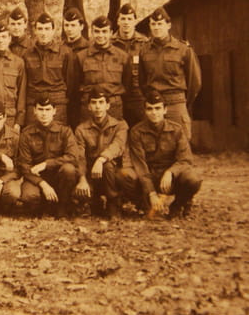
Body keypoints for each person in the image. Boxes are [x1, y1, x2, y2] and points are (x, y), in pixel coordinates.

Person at [118, 90, 202, 218]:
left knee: (193, 179)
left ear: (165, 110)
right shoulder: (136, 132)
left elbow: (185, 160)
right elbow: (140, 166)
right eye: (150, 109)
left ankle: (178, 205)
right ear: (145, 111)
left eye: (158, 108)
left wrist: (171, 172)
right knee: (123, 175)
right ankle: (143, 205)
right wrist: (151, 193)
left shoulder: (177, 129)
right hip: (148, 176)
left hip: (169, 179)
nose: (154, 113)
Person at [138, 7, 202, 140]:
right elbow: (142, 80)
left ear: (168, 25)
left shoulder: (183, 49)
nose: (156, 27)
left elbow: (195, 82)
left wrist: (182, 101)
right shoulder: (144, 50)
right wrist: (152, 98)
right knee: (152, 144)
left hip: (175, 103)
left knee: (181, 143)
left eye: (160, 24)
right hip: (154, 105)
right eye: (153, 24)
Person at [17, 94, 83, 218]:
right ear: (34, 111)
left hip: (59, 177)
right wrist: (43, 184)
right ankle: (43, 206)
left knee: (69, 169)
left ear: (54, 111)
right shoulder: (26, 133)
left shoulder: (65, 131)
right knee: (29, 197)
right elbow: (24, 166)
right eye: (40, 109)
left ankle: (62, 207)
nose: (44, 114)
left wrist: (47, 164)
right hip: (36, 178)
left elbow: (73, 157)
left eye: (48, 109)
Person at [73, 87, 127, 219]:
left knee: (108, 166)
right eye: (94, 102)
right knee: (81, 190)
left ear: (108, 105)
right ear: (89, 106)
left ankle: (113, 204)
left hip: (112, 173)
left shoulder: (119, 125)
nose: (98, 106)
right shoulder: (81, 129)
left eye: (101, 102)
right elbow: (80, 156)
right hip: (91, 172)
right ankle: (93, 202)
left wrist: (101, 159)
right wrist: (82, 178)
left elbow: (118, 146)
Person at [68, 16, 130, 123]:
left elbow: (127, 85)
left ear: (111, 33)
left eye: (104, 31)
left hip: (114, 106)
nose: (100, 35)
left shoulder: (122, 56)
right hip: (90, 107)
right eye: (97, 31)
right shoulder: (81, 57)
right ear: (92, 33)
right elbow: (75, 87)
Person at [23, 12, 74, 124]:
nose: (43, 33)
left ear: (53, 30)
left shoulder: (65, 53)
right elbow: (24, 83)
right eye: (40, 29)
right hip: (34, 103)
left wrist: (61, 99)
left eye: (47, 29)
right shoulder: (27, 54)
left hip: (57, 103)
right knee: (32, 132)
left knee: (57, 132)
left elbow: (70, 83)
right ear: (35, 31)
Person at [111, 4, 148, 127]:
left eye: (129, 19)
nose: (126, 22)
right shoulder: (110, 43)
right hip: (117, 95)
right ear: (118, 21)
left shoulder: (144, 43)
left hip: (138, 95)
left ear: (135, 21)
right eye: (123, 18)